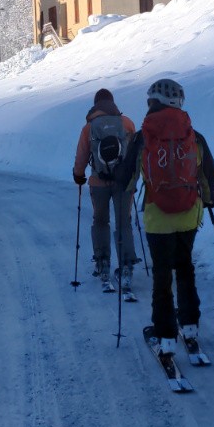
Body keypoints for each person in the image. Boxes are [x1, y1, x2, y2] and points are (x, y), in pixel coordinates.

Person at [118, 78, 214, 353]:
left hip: (158, 216)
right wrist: (210, 200)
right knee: (185, 267)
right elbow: (208, 175)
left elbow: (126, 178)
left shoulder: (143, 137)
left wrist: (125, 194)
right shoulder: (193, 135)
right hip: (189, 213)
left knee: (162, 275)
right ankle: (190, 325)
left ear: (153, 102)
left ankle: (165, 336)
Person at [72, 87, 137, 292]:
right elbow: (135, 152)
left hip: (98, 182)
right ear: (113, 103)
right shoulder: (126, 123)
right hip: (123, 183)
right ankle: (126, 267)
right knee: (124, 222)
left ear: (96, 105)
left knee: (100, 221)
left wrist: (78, 175)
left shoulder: (89, 127)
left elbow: (82, 155)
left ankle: (102, 263)